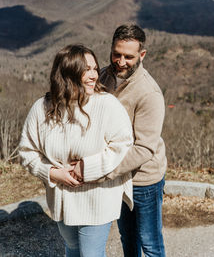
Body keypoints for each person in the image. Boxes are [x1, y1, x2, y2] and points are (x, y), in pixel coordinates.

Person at [19, 44, 133, 257]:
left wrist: (86, 168)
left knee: (90, 253)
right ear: (68, 74)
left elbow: (123, 145)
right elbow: (26, 151)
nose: (94, 75)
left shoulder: (107, 105)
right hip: (62, 198)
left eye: (94, 68)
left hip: (98, 195)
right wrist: (51, 172)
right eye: (86, 69)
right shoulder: (43, 108)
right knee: (72, 249)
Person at [99, 24, 166, 257]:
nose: (121, 61)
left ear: (142, 55)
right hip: (118, 177)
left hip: (143, 180)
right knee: (127, 237)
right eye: (117, 53)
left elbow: (144, 148)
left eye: (129, 56)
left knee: (150, 243)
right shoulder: (102, 76)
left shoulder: (149, 93)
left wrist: (104, 169)